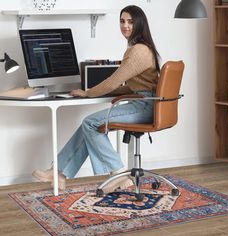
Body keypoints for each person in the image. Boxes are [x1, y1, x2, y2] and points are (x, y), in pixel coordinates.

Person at [32, 5, 161, 192]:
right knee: (89, 126)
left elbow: (112, 81)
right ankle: (58, 173)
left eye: (131, 22)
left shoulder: (137, 51)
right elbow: (127, 86)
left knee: (90, 123)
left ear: (140, 24)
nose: (125, 26)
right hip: (144, 102)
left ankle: (119, 173)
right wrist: (100, 91)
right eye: (122, 21)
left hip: (144, 105)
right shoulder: (142, 48)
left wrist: (88, 92)